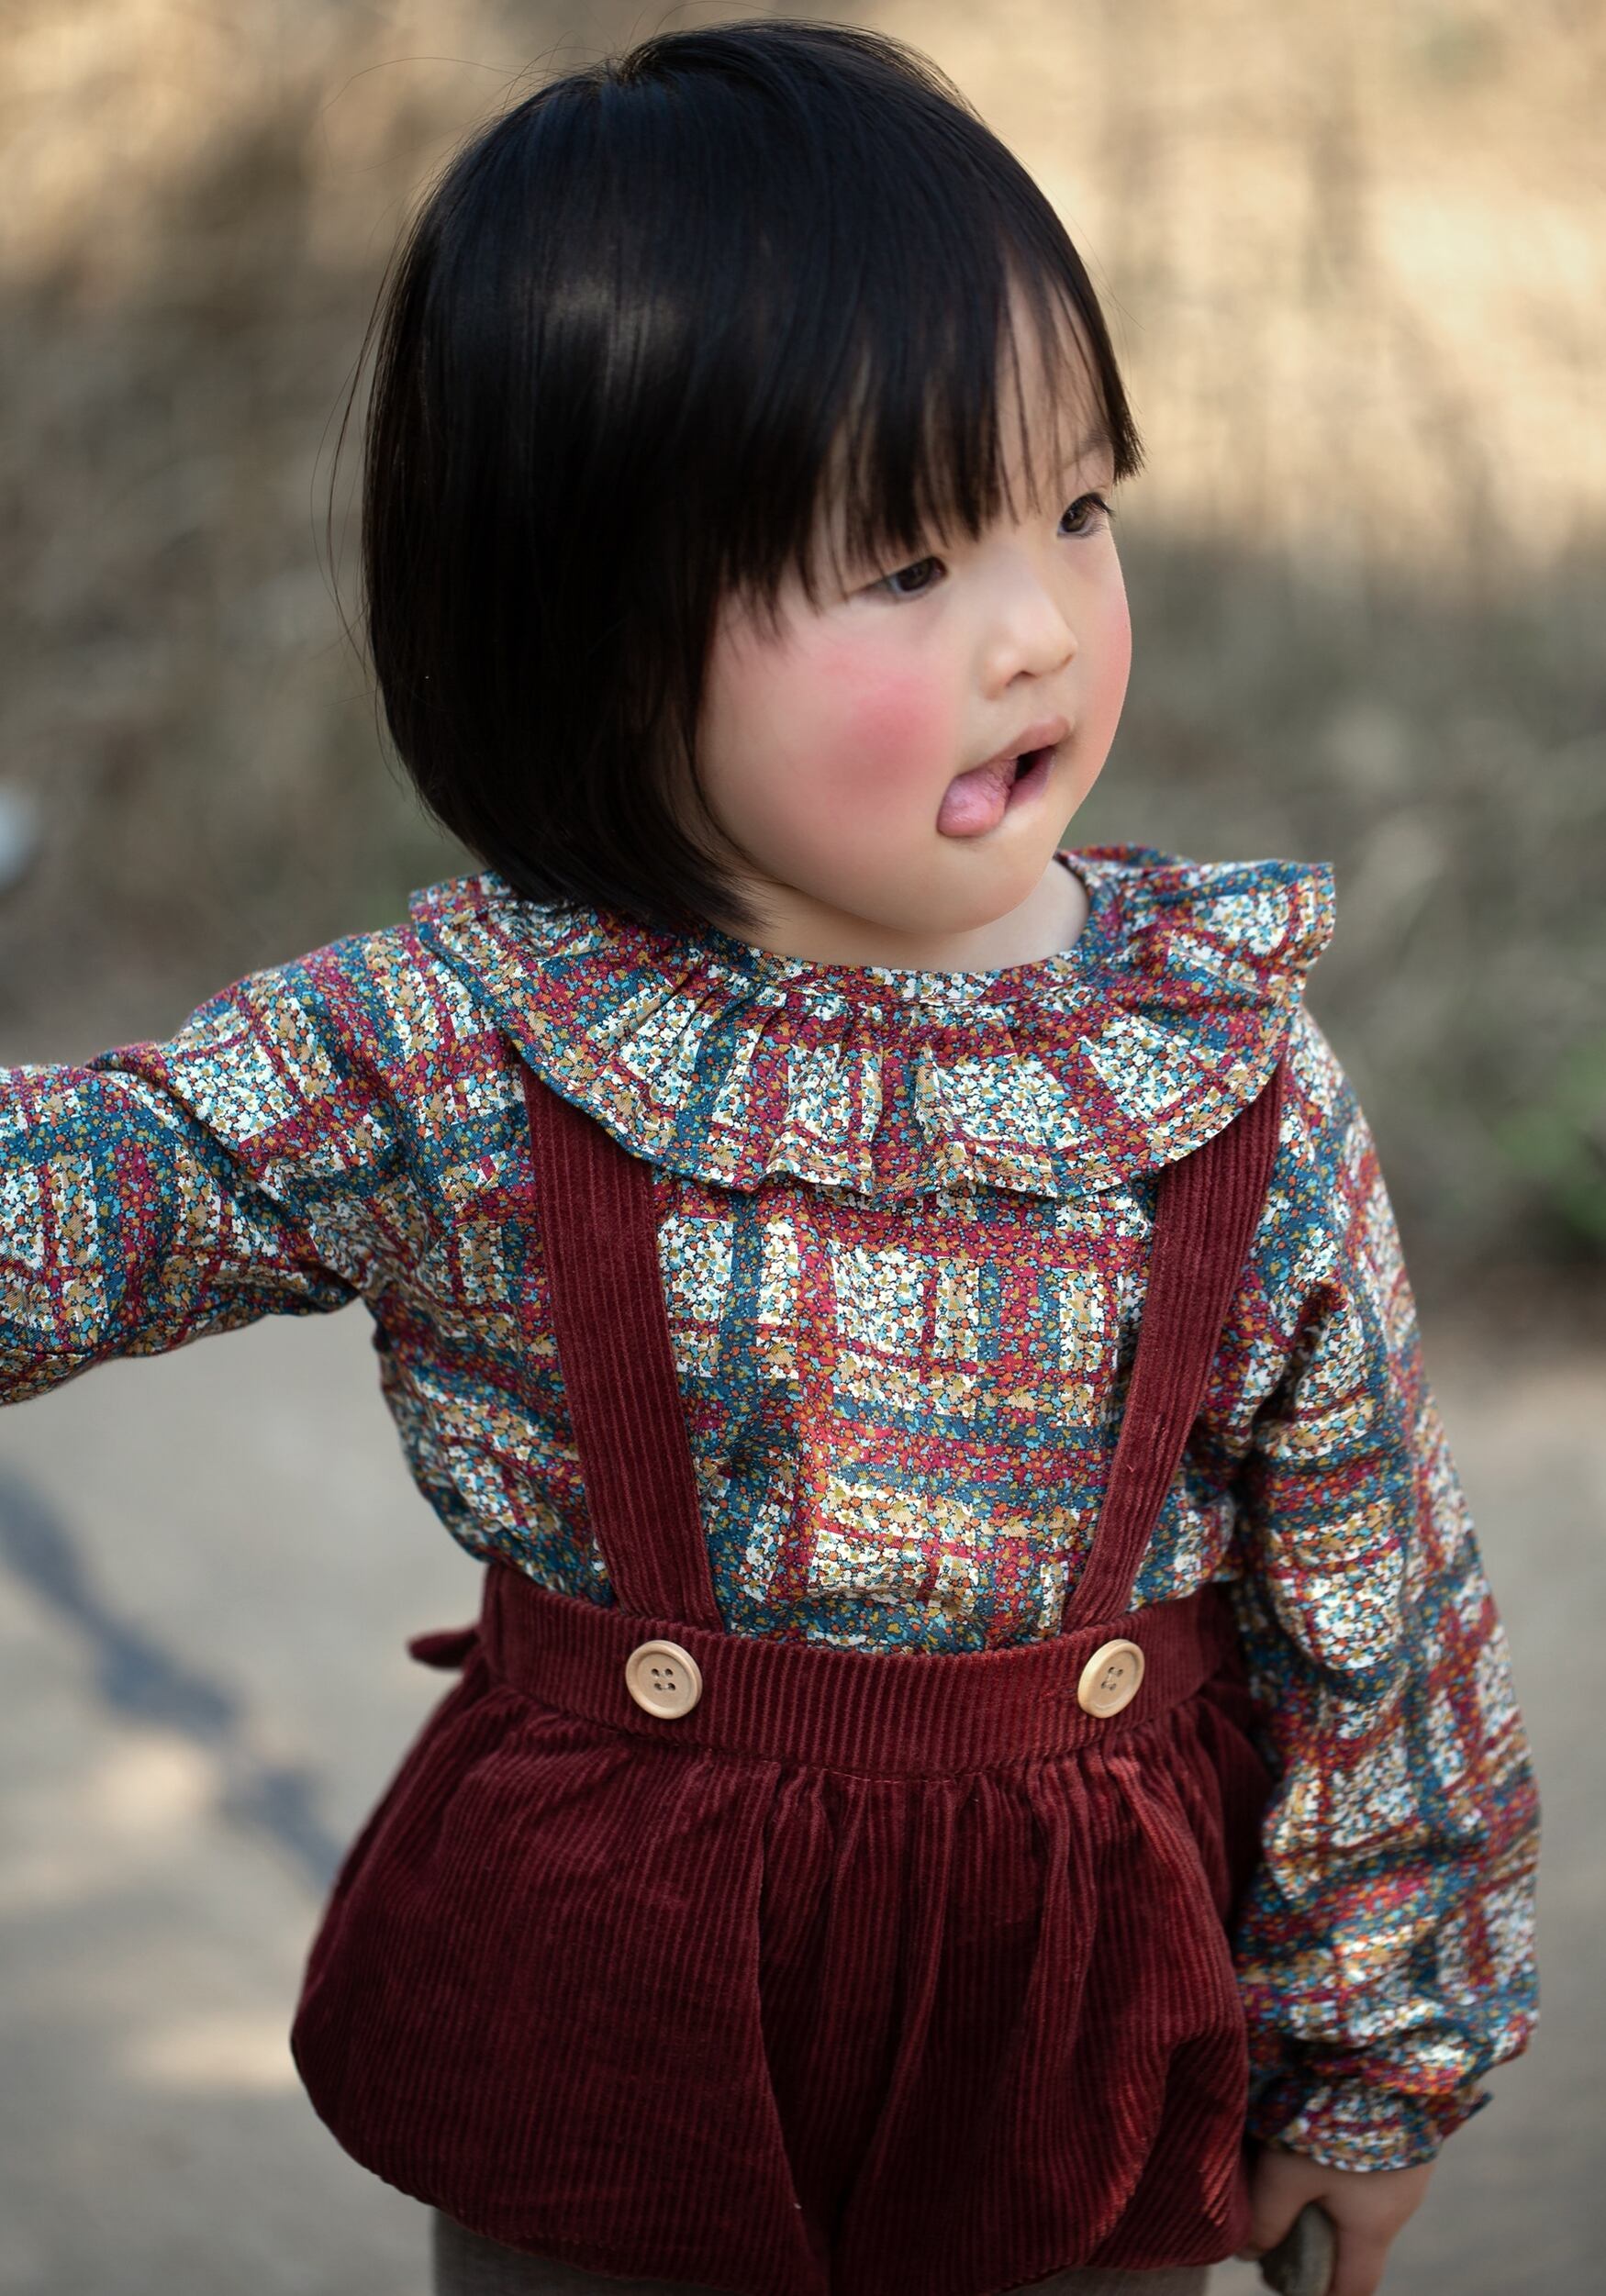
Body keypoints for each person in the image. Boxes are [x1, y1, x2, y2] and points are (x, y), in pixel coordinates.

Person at [0, 20, 1538, 2296]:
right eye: (905, 559)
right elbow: (96, 1190)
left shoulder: (1217, 1072)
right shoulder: (474, 1044)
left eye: (1076, 509)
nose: (1035, 627)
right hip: (601, 2030)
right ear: (596, 632)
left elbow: (1373, 1601)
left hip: (1072, 2034)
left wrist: (1372, 2060)